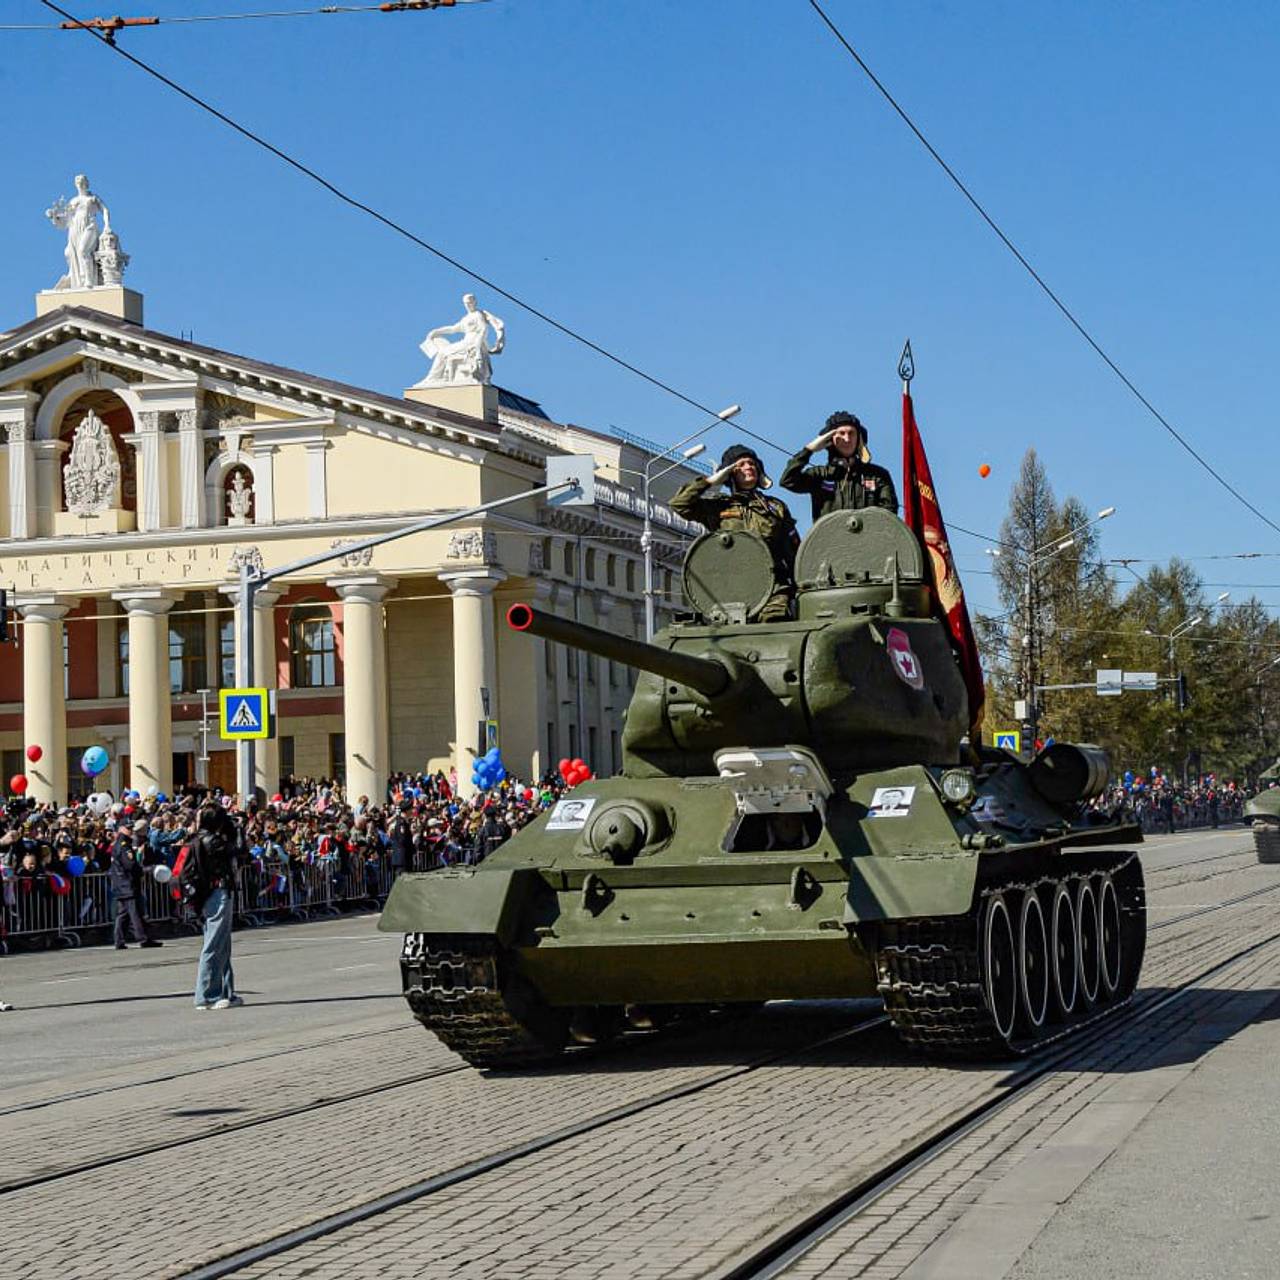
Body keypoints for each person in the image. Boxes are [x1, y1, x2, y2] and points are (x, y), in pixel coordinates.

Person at [670, 444, 800, 621]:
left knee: (774, 624)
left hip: (774, 587)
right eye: (741, 465)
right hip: (733, 588)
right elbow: (679, 504)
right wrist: (709, 482)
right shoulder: (718, 507)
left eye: (752, 463)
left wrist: (800, 585)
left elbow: (793, 551)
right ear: (730, 473)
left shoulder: (775, 508)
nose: (748, 467)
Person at [780, 411, 898, 521]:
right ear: (830, 439)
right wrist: (808, 450)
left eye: (851, 433)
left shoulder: (877, 475)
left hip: (868, 541)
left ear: (859, 439)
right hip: (829, 541)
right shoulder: (820, 475)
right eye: (841, 433)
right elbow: (788, 481)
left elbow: (889, 514)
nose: (847, 439)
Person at [186, 805, 239, 1011]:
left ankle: (226, 991)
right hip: (217, 892)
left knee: (222, 944)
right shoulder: (213, 841)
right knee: (213, 944)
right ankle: (206, 995)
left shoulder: (198, 839)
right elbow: (239, 852)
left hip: (210, 893)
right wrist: (235, 831)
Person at [109, 820, 161, 950]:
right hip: (127, 883)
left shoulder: (122, 844)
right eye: (128, 828)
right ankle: (143, 938)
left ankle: (119, 940)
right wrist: (144, 870)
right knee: (135, 912)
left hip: (122, 883)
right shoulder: (124, 845)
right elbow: (130, 865)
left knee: (123, 914)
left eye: (131, 828)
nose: (131, 831)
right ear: (121, 829)